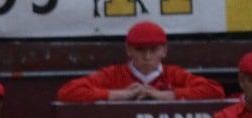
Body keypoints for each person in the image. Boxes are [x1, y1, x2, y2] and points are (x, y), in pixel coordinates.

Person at [56, 21, 224, 103]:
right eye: (140, 50)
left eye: (153, 50)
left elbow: (215, 91)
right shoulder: (112, 75)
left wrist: (164, 95)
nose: (147, 56)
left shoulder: (174, 74)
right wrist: (119, 95)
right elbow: (67, 92)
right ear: (129, 50)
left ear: (164, 51)